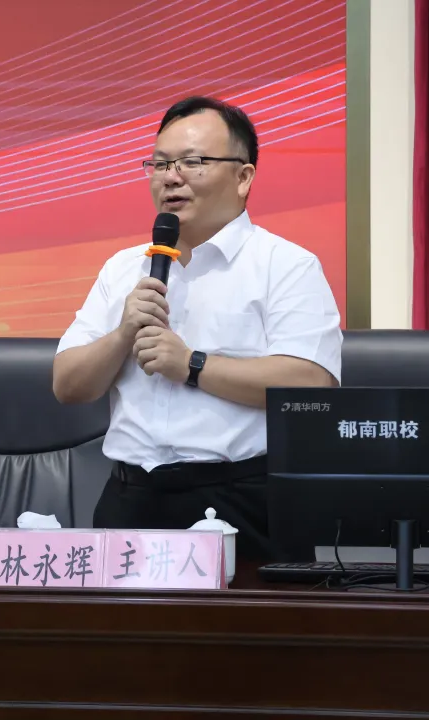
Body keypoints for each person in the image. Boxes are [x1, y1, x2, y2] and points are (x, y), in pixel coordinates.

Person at [52, 96, 342, 561]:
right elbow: (67, 384)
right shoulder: (123, 268)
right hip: (129, 502)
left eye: (193, 162)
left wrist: (191, 365)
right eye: (160, 163)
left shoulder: (285, 265)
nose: (171, 177)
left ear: (243, 177)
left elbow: (311, 385)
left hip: (241, 503)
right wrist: (123, 334)